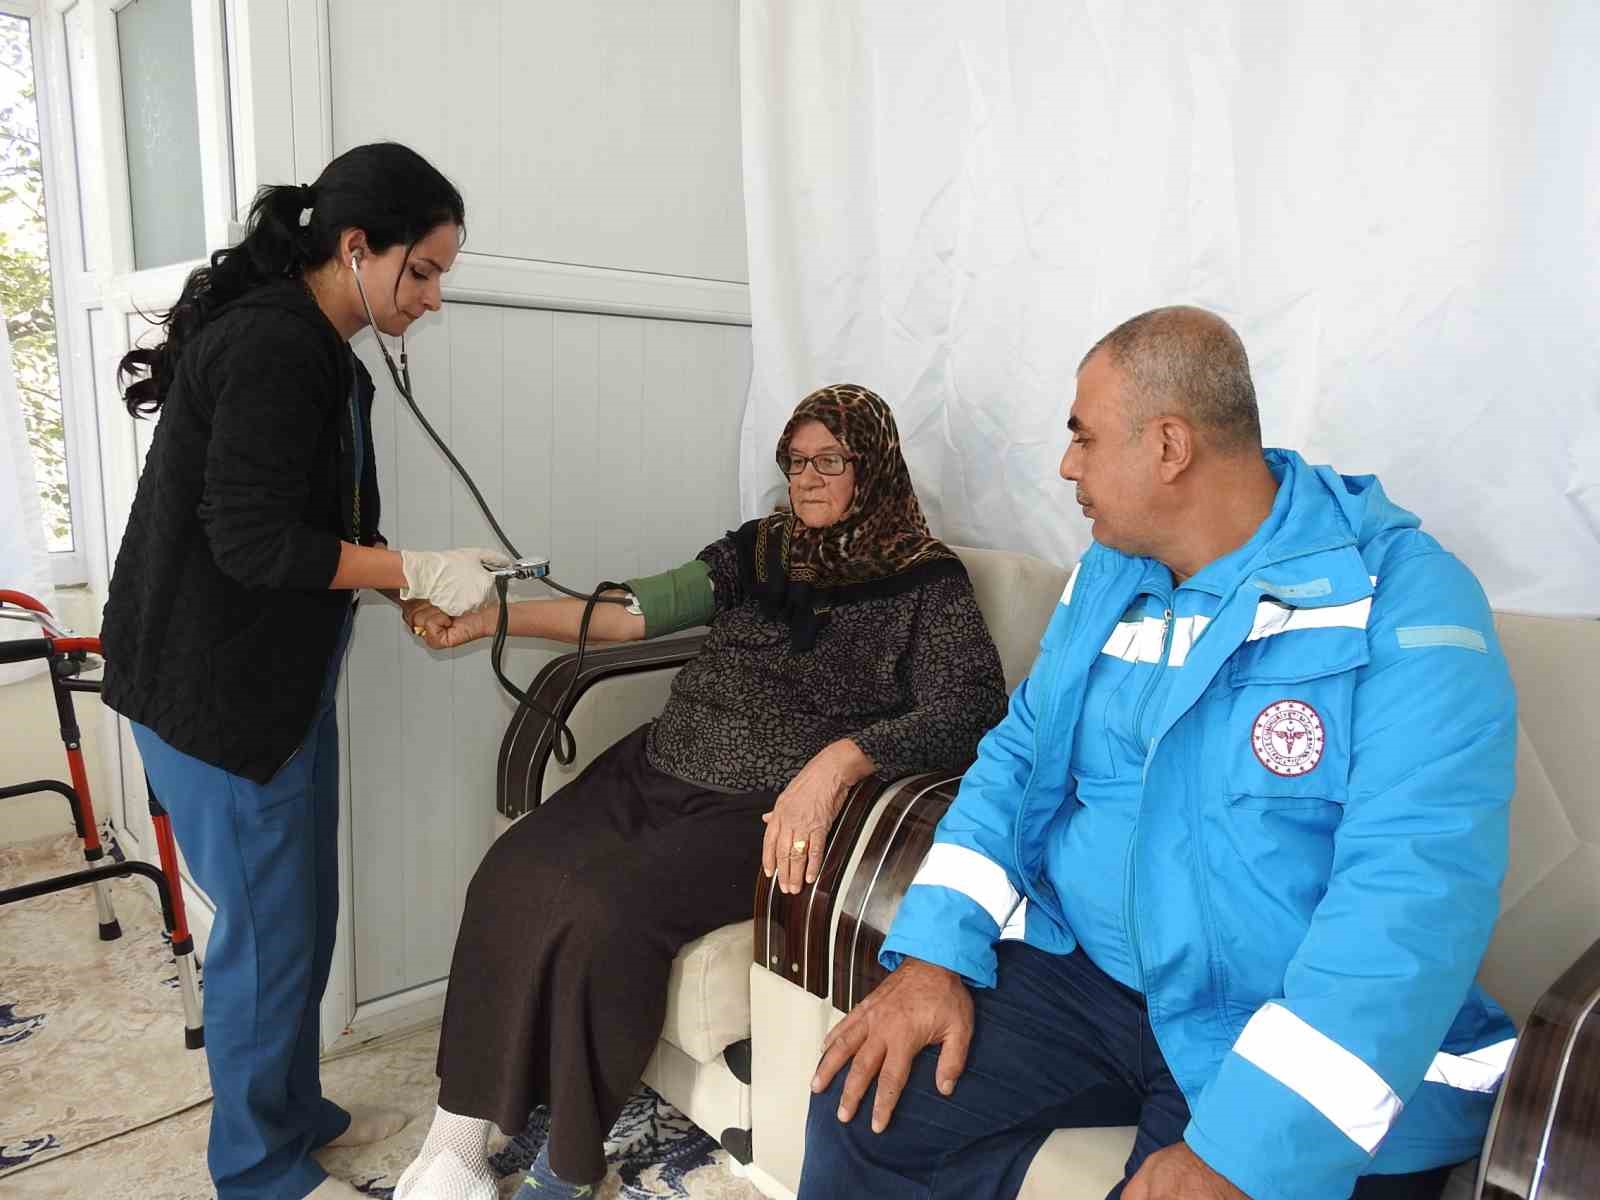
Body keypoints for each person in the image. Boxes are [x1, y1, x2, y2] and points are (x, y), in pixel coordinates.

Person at [798, 308, 1518, 1200]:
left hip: (1269, 1016)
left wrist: (1239, 1157)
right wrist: (938, 956)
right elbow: (1016, 761)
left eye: (1083, 437)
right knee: (862, 1110)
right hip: (1088, 983)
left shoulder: (1401, 598)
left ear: (1169, 447)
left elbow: (1413, 900)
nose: (1067, 466)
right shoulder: (1110, 573)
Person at [392, 383, 1010, 1200]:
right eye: (796, 461)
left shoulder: (928, 584)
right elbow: (629, 614)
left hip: (754, 810)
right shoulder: (760, 551)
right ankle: (456, 1147)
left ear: (875, 466)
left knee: (603, 915)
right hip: (655, 766)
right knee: (514, 867)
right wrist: (488, 619)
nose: (809, 479)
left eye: (831, 460)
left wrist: (840, 762)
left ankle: (567, 1168)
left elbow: (972, 711)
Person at [100, 143, 511, 1200]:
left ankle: (284, 1110)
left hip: (275, 688)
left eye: (441, 279)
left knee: (301, 920)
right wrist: (414, 563)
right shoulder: (276, 346)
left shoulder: (326, 354)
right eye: (419, 272)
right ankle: (258, 1167)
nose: (430, 298)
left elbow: (326, 530)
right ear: (355, 246)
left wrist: (400, 584)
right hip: (219, 695)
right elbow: (251, 542)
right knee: (266, 939)